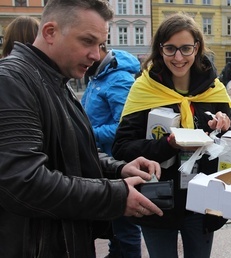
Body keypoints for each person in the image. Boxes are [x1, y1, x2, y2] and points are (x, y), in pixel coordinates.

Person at [0, 0, 165, 257]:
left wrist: (119, 168)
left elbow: (71, 154)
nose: (96, 55)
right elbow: (23, 181)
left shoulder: (54, 80)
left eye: (100, 45)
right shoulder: (11, 81)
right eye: (87, 41)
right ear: (50, 32)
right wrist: (114, 196)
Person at [112, 12, 231, 258]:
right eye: (170, 49)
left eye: (186, 48)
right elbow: (122, 147)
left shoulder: (215, 90)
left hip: (202, 200)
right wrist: (168, 144)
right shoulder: (144, 89)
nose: (178, 57)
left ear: (197, 48)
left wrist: (225, 128)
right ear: (160, 49)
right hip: (158, 200)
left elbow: (227, 149)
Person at [81, 44, 143, 258]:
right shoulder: (98, 76)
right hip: (102, 160)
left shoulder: (119, 79)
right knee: (115, 226)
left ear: (99, 48)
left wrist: (87, 133)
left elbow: (123, 126)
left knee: (126, 227)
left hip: (116, 162)